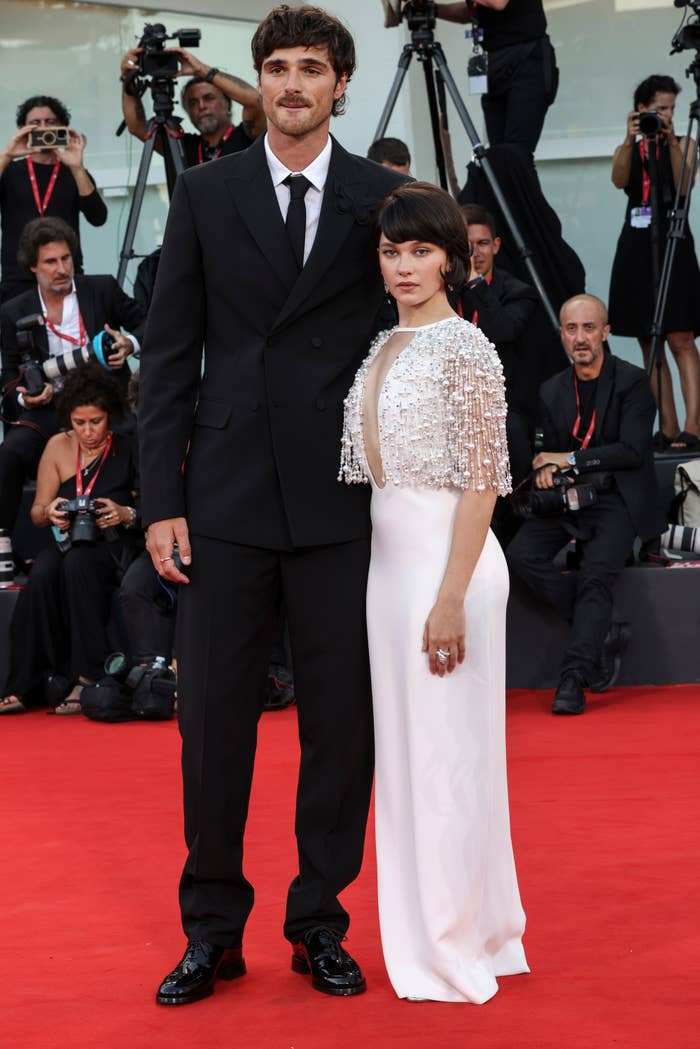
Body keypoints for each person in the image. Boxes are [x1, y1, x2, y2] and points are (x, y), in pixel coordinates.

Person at [138, 5, 407, 1006]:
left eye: (311, 67)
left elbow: (411, 338)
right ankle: (211, 927)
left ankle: (318, 920)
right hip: (225, 500)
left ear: (338, 83)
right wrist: (159, 495)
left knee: (341, 727)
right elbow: (168, 355)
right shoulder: (205, 192)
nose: (292, 82)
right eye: (277, 66)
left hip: (344, 502)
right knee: (211, 727)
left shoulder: (384, 197)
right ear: (260, 82)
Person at [339, 181, 528, 1002]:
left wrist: (449, 596)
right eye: (392, 250)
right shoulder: (383, 346)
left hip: (451, 570)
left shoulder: (465, 347)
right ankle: (447, 930)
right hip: (391, 573)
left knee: (450, 760)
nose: (406, 265)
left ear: (453, 256)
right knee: (413, 761)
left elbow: (486, 479)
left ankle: (456, 944)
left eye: (421, 249)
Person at [506, 295, 665, 716]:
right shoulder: (551, 389)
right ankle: (599, 628)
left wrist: (571, 459)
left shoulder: (632, 381)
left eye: (589, 328)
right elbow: (548, 452)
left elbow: (632, 450)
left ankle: (574, 677)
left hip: (617, 498)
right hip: (568, 497)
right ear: (561, 335)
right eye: (571, 329)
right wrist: (547, 470)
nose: (580, 338)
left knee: (595, 577)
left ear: (606, 332)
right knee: (520, 556)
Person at [0, 363, 141, 715]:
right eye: (80, 423)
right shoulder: (57, 447)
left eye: (96, 421)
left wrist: (124, 513)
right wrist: (51, 511)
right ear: (68, 419)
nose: (88, 431)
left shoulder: (128, 447)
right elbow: (35, 512)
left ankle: (88, 676)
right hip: (67, 539)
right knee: (43, 572)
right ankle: (24, 684)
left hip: (112, 543)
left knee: (80, 565)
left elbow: (148, 504)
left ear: (111, 416)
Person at [0, 217, 145, 541]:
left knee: (142, 435)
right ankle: (3, 537)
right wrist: (25, 397)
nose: (61, 268)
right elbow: (9, 372)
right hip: (49, 406)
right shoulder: (13, 311)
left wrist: (129, 343)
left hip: (107, 401)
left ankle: (144, 524)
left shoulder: (101, 288)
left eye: (65, 258)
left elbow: (149, 322)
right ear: (33, 267)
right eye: (50, 261)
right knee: (10, 452)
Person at [608, 74, 700, 450]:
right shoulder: (631, 147)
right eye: (659, 109)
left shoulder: (685, 143)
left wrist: (671, 139)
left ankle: (694, 425)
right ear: (641, 110)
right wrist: (631, 139)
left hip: (675, 242)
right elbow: (618, 180)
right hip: (638, 244)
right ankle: (668, 426)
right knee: (649, 338)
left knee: (681, 336)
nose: (665, 115)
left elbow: (683, 185)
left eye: (671, 109)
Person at [455, 203, 538, 483]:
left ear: (496, 245)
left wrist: (476, 284)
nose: (475, 253)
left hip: (502, 408)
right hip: (452, 406)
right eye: (467, 245)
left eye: (482, 243)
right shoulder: (442, 292)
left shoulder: (519, 292)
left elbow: (502, 330)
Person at [0, 95, 107, 303]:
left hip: (65, 275)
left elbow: (98, 217)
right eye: (35, 123)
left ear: (63, 127)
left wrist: (76, 166)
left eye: (50, 122)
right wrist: (7, 154)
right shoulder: (11, 171)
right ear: (23, 129)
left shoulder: (73, 171)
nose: (43, 128)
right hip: (18, 278)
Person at [434, 1, 558, 158]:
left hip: (527, 60)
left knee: (517, 155)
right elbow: (472, 10)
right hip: (494, 64)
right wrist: (433, 9)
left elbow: (498, 2)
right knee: (497, 157)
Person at [120, 46, 266, 167]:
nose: (201, 106)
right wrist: (127, 80)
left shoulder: (248, 137)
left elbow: (255, 101)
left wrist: (201, 69)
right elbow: (136, 126)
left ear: (227, 103)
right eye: (193, 102)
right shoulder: (183, 148)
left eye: (209, 98)